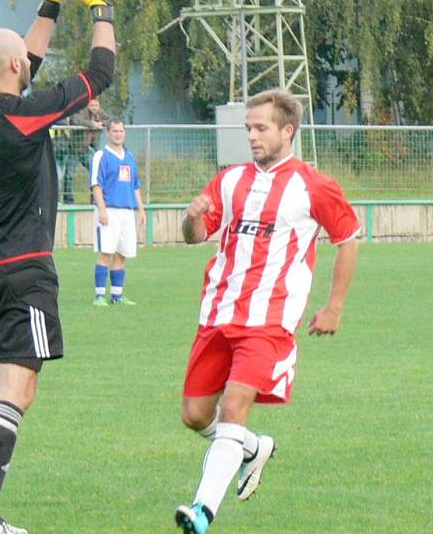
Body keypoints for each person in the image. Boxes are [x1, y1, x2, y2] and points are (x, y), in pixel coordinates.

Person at [0, 0, 125, 534]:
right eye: (23, 62)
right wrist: (101, 3)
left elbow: (22, 57)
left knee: (7, 393)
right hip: (24, 271)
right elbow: (101, 71)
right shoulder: (24, 117)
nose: (31, 64)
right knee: (16, 393)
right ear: (13, 66)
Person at [174, 89, 360, 533]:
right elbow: (195, 235)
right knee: (196, 415)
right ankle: (253, 448)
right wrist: (190, 217)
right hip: (218, 314)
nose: (253, 137)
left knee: (236, 405)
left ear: (287, 130)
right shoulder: (230, 180)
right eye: (249, 129)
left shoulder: (313, 185)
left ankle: (202, 511)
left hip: (271, 321)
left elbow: (348, 238)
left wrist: (334, 306)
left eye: (261, 128)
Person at [90, 118, 146, 306]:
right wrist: (102, 209)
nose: (118, 134)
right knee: (106, 252)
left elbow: (135, 186)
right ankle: (99, 295)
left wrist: (141, 209)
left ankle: (117, 295)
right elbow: (96, 184)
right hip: (109, 210)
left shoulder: (129, 158)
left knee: (122, 253)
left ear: (125, 133)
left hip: (127, 211)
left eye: (121, 131)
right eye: (114, 131)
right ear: (108, 133)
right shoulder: (101, 156)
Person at [61, 97, 110, 203]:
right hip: (75, 149)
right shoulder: (81, 110)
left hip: (88, 149)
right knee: (69, 175)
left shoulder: (99, 112)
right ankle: (68, 200)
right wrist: (92, 124)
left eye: (96, 106)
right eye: (92, 105)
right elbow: (76, 120)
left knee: (96, 172)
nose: (94, 108)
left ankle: (95, 199)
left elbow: (110, 120)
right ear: (88, 105)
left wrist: (100, 123)